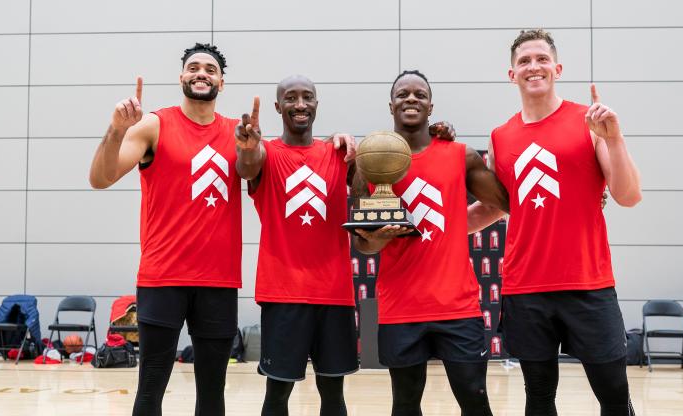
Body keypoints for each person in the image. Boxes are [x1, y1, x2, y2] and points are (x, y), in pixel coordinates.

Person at [469, 29, 642, 416]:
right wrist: (436, 230)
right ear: (511, 74)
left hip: (588, 282)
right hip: (525, 287)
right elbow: (496, 208)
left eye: (542, 59)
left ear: (558, 68)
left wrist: (614, 138)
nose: (534, 67)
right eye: (525, 61)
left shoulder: (589, 121)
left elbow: (628, 195)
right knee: (539, 397)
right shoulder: (500, 137)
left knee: (614, 395)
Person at [89, 43, 241, 416]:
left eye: (210, 69)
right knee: (151, 386)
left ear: (222, 82)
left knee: (212, 391)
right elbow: (100, 178)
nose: (201, 73)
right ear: (181, 78)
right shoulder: (154, 124)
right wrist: (116, 129)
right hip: (162, 278)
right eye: (193, 67)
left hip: (218, 281)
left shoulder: (240, 133)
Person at [351, 70, 510, 416]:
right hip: (400, 308)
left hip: (457, 306)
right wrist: (377, 238)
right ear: (390, 105)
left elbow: (506, 202)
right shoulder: (371, 162)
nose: (411, 99)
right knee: (405, 403)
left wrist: (584, 197)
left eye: (419, 94)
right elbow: (363, 245)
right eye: (403, 94)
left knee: (474, 397)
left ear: (431, 105)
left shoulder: (460, 155)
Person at [235, 75, 360, 416]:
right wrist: (246, 147)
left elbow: (370, 187)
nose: (300, 104)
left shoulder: (337, 153)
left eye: (308, 97)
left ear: (317, 105)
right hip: (283, 293)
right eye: (291, 98)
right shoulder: (266, 154)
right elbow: (247, 169)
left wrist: (360, 151)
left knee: (333, 394)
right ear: (278, 107)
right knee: (277, 393)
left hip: (334, 293)